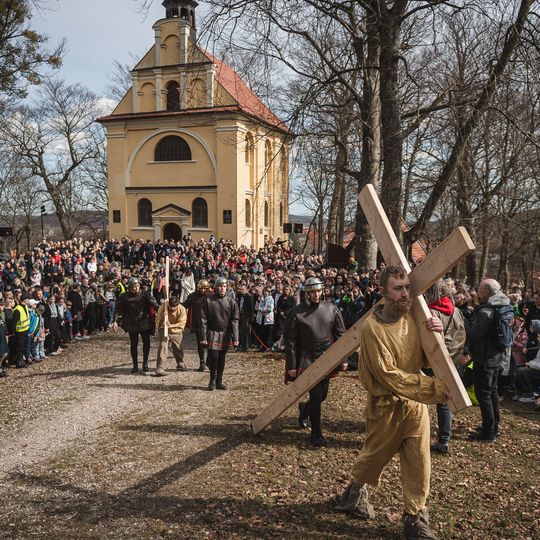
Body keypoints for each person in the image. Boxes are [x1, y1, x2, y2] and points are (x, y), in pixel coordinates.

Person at [331, 266, 447, 540]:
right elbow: (389, 375)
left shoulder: (415, 319)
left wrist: (438, 334)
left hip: (415, 406)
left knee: (420, 462)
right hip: (386, 407)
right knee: (373, 458)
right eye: (398, 288)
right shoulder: (372, 328)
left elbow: (428, 359)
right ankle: (354, 494)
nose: (405, 293)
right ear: (383, 291)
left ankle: (415, 519)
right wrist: (435, 389)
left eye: (407, 287)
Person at [284, 277, 347, 447]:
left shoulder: (332, 308)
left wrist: (344, 358)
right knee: (316, 395)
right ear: (307, 293)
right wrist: (291, 365)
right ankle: (316, 433)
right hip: (307, 357)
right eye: (313, 292)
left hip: (327, 355)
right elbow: (290, 341)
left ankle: (305, 409)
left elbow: (341, 335)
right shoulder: (297, 312)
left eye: (318, 291)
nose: (316, 294)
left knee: (323, 395)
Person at [465, 278, 511, 442]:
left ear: (486, 292)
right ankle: (493, 426)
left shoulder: (486, 312)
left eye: (480, 289)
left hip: (484, 358)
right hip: (496, 356)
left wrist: (465, 320)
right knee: (492, 392)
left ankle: (488, 433)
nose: (478, 291)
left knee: (483, 394)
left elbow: (473, 333)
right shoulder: (503, 305)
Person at [425, 279, 467, 454]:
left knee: (426, 398)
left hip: (436, 361)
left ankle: (433, 437)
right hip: (454, 359)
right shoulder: (457, 311)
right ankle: (444, 439)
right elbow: (463, 333)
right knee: (445, 401)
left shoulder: (431, 313)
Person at [199, 276, 239, 390]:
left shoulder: (232, 302)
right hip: (212, 332)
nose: (222, 288)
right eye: (220, 286)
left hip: (225, 333)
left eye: (224, 286)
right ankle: (212, 380)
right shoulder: (208, 300)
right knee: (214, 357)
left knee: (222, 358)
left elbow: (235, 321)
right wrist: (203, 336)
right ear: (216, 287)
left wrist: (236, 338)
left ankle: (219, 381)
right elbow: (203, 319)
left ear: (227, 288)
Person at [113, 277, 158, 374]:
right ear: (129, 287)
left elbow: (152, 302)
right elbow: (118, 309)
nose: (136, 288)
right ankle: (135, 365)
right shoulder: (124, 296)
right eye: (133, 286)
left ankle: (145, 363)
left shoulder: (145, 294)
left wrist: (156, 305)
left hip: (144, 323)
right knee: (134, 345)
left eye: (137, 286)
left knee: (146, 343)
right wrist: (115, 321)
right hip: (131, 323)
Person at [155, 293, 187, 376]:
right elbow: (158, 319)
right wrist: (163, 320)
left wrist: (171, 325)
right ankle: (160, 367)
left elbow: (181, 322)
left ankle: (180, 363)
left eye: (174, 307)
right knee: (163, 345)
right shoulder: (163, 307)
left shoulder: (182, 309)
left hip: (176, 330)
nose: (172, 308)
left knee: (178, 347)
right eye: (170, 306)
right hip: (164, 328)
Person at [183, 279, 209, 372]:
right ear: (198, 287)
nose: (203, 290)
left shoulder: (211, 296)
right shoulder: (193, 296)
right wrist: (173, 304)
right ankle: (202, 362)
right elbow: (184, 306)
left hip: (209, 323)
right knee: (200, 344)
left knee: (209, 343)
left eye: (205, 288)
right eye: (201, 288)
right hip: (198, 323)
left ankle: (209, 361)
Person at [236, 281, 254, 352]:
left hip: (247, 316)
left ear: (246, 289)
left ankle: (245, 346)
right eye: (240, 289)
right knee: (242, 332)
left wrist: (250, 319)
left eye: (242, 289)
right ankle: (243, 345)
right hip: (241, 315)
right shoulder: (241, 296)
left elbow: (251, 308)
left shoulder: (249, 297)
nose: (241, 291)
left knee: (245, 332)